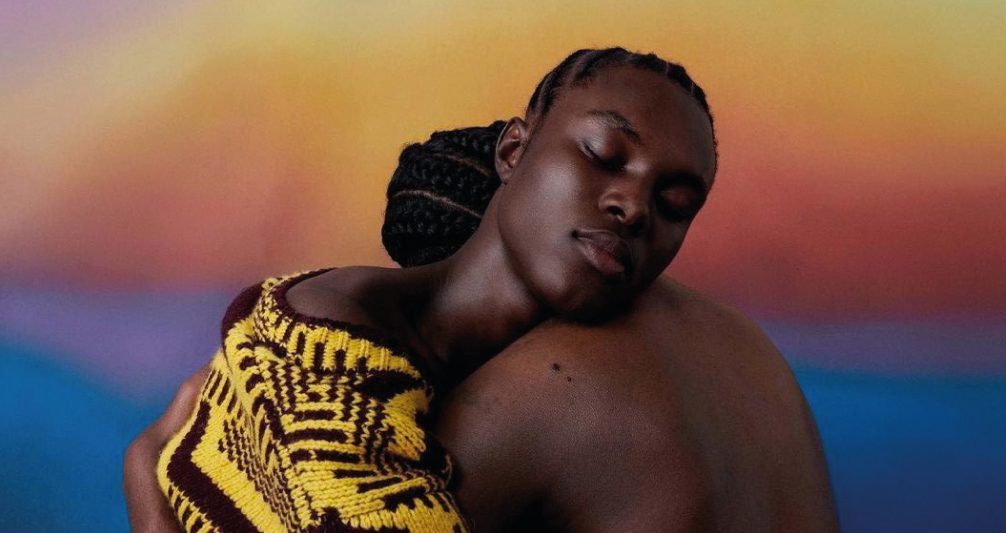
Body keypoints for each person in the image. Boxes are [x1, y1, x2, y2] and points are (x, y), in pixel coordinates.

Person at [125, 47, 839, 532]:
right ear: (513, 150)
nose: (634, 207)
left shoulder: (552, 387)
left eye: (676, 202)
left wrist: (148, 486)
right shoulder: (333, 343)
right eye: (603, 154)